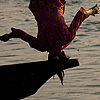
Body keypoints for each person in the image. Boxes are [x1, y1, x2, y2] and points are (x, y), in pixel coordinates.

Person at [0, 0, 99, 85]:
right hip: (37, 3)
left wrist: (93, 11)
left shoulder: (67, 38)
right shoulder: (41, 45)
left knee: (60, 8)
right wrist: (9, 36)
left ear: (63, 55)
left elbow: (81, 15)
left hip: (55, 2)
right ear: (48, 58)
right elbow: (21, 34)